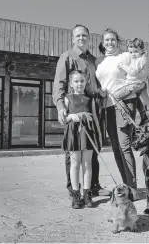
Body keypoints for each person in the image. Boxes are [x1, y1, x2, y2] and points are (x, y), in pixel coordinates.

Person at [52, 24, 111, 202]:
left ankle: (92, 186)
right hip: (74, 108)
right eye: (78, 36)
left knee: (92, 148)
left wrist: (101, 92)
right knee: (75, 150)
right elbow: (59, 84)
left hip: (92, 108)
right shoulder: (67, 57)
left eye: (84, 36)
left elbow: (97, 84)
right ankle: (74, 190)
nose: (81, 38)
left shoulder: (94, 60)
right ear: (73, 38)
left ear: (88, 38)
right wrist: (61, 106)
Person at [95, 28, 140, 193]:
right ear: (102, 43)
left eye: (113, 39)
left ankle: (132, 188)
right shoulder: (98, 61)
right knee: (116, 148)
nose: (110, 42)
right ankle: (126, 184)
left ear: (117, 41)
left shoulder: (125, 56)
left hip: (123, 105)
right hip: (107, 107)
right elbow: (100, 84)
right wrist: (100, 91)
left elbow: (138, 78)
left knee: (124, 146)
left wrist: (125, 94)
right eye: (106, 40)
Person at [62, 71, 102, 209]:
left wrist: (98, 136)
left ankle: (87, 194)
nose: (79, 84)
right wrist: (72, 116)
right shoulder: (68, 98)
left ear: (86, 82)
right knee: (74, 164)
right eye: (76, 81)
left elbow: (95, 117)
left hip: (88, 132)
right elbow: (62, 119)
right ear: (71, 84)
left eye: (82, 81)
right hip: (74, 132)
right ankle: (75, 195)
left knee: (87, 164)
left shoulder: (89, 99)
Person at [113, 38, 149, 126]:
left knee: (115, 97)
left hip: (133, 85)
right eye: (131, 52)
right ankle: (144, 116)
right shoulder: (141, 58)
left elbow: (133, 72)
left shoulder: (140, 60)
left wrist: (122, 65)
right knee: (136, 98)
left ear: (142, 50)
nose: (133, 55)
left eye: (135, 52)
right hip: (137, 85)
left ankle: (126, 116)